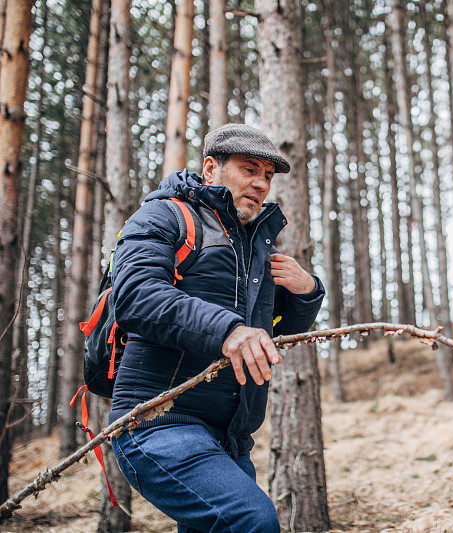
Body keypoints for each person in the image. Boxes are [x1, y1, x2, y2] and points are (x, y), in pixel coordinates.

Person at [108, 123, 324, 532]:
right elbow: (136, 297)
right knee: (252, 521)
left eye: (267, 176)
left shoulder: (257, 248)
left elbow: (271, 337)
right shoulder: (164, 215)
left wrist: (307, 293)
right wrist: (229, 330)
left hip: (231, 440)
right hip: (158, 422)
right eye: (249, 169)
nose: (261, 184)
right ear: (211, 169)